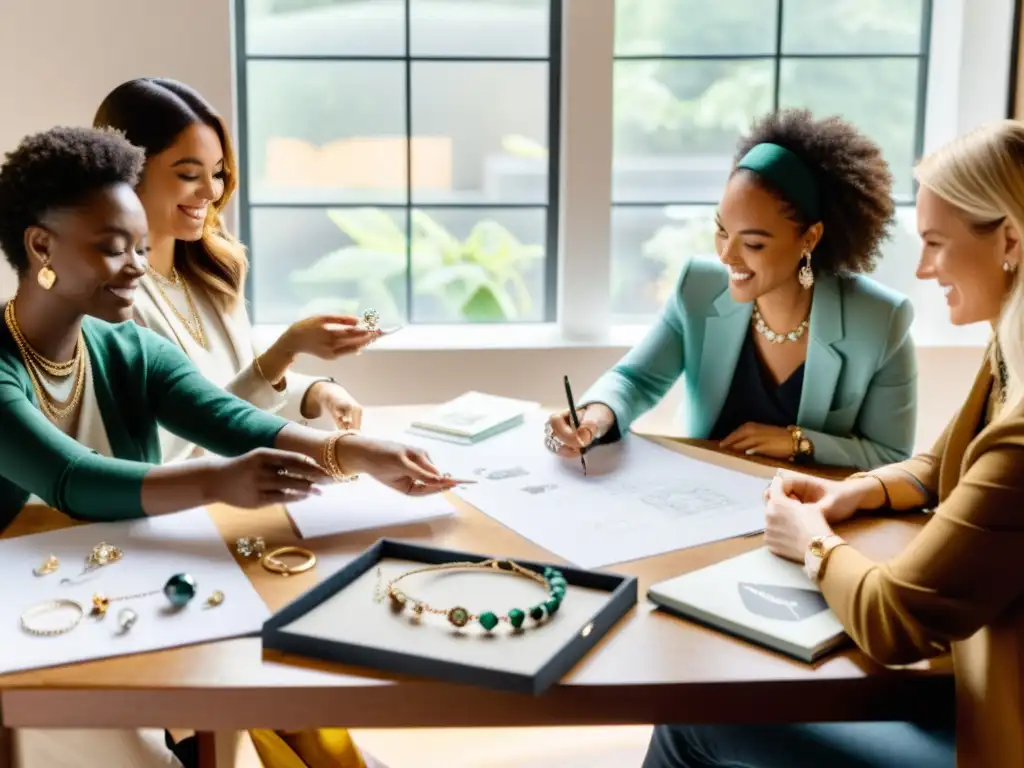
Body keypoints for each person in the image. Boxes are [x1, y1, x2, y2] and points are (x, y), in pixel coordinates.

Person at [0, 126, 455, 767]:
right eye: (112, 249)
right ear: (41, 245)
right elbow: (69, 478)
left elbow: (233, 420)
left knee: (278, 688)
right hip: (25, 619)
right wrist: (217, 482)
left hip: (108, 582)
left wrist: (354, 452)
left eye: (139, 245)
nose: (137, 266)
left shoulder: (128, 349)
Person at [642, 119, 1024, 767]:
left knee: (691, 720)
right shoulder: (1006, 355)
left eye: (935, 243)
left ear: (1010, 239)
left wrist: (811, 541)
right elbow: (940, 462)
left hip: (992, 731)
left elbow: (892, 621)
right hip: (964, 677)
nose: (924, 268)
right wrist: (852, 492)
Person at [546, 109, 917, 470]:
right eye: (722, 230)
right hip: (700, 502)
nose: (726, 255)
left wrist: (799, 442)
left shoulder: (881, 320)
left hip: (809, 515)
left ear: (810, 237)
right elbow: (635, 380)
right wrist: (594, 417)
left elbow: (891, 456)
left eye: (753, 244)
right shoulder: (699, 287)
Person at [93, 77, 375, 465]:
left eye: (218, 172)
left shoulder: (210, 274)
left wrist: (319, 395)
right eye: (189, 174)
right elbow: (170, 450)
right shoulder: (111, 303)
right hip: (186, 510)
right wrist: (285, 349)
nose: (210, 191)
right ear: (128, 174)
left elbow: (242, 386)